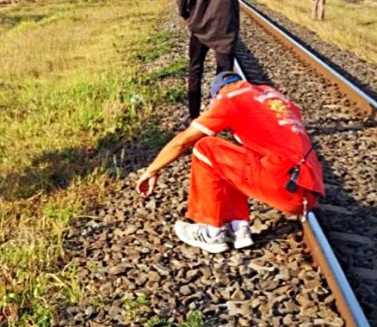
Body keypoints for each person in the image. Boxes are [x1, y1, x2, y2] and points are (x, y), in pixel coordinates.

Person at [136, 72, 324, 253]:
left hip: (286, 188)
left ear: (215, 95)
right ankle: (239, 227)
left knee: (206, 147)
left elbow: (183, 141)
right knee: (234, 156)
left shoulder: (229, 98)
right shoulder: (274, 97)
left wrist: (152, 170)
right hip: (308, 188)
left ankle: (211, 231)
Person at [176, 0, 251, 119]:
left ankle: (194, 117)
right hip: (226, 27)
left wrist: (184, 13)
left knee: (195, 71)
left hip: (200, 26)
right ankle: (219, 118)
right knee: (224, 77)